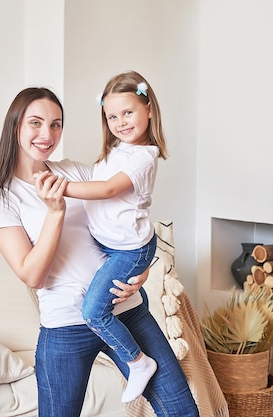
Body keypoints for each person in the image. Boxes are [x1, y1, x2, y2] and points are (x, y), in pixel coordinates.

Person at [0, 84, 198, 417]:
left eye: (56, 124)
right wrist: (56, 212)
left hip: (125, 310)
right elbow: (32, 274)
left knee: (182, 411)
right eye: (35, 122)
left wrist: (141, 268)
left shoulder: (74, 172)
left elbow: (128, 223)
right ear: (15, 125)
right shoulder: (2, 197)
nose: (47, 134)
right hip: (66, 326)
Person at [36, 70, 164, 403]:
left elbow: (107, 190)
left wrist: (60, 188)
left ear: (148, 109)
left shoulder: (143, 156)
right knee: (117, 300)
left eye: (128, 112)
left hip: (128, 250)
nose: (120, 122)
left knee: (93, 312)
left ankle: (138, 362)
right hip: (117, 248)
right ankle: (140, 325)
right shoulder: (117, 152)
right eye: (111, 116)